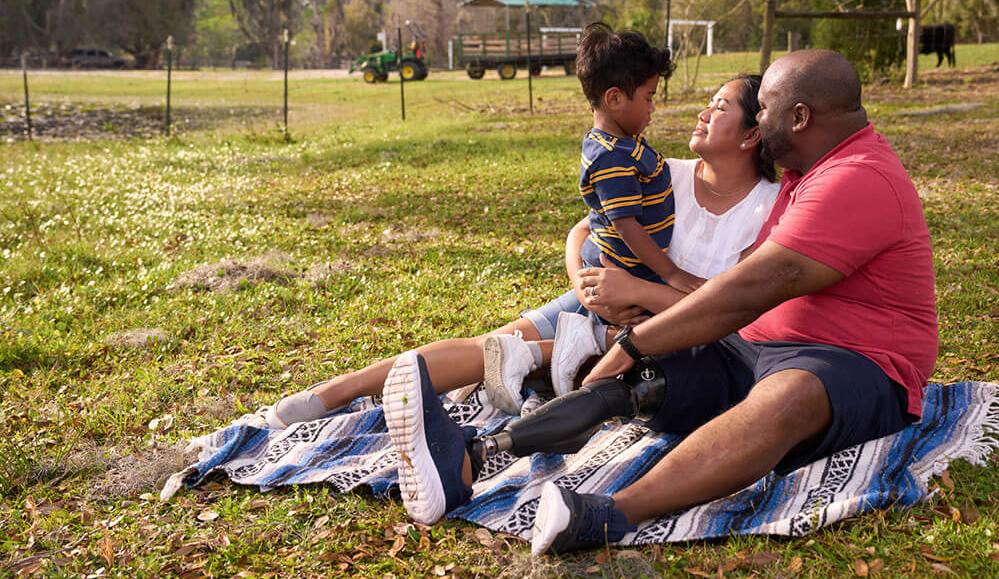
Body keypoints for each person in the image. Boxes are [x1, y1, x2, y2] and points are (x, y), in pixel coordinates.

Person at [386, 49, 939, 554]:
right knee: (638, 382)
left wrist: (637, 337)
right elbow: (737, 282)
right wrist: (643, 347)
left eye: (763, 108)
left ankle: (608, 515)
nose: (757, 122)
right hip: (759, 344)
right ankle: (469, 456)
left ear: (798, 117)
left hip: (857, 360)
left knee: (786, 396)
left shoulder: (857, 178)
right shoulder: (804, 175)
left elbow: (755, 286)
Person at [261, 75, 779, 441]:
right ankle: (331, 395)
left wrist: (639, 292)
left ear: (753, 133)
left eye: (720, 106)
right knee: (492, 343)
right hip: (601, 299)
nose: (702, 112)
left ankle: (535, 368)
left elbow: (734, 308)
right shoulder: (665, 172)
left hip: (662, 334)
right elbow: (583, 229)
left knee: (515, 356)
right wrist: (584, 284)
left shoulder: (766, 209)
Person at [480, 22, 705, 412]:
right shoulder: (612, 157)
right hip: (627, 265)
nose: (653, 108)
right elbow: (626, 224)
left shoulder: (621, 141)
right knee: (656, 335)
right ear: (615, 98)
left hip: (620, 260)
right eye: (649, 98)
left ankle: (555, 353)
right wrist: (671, 274)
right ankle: (574, 348)